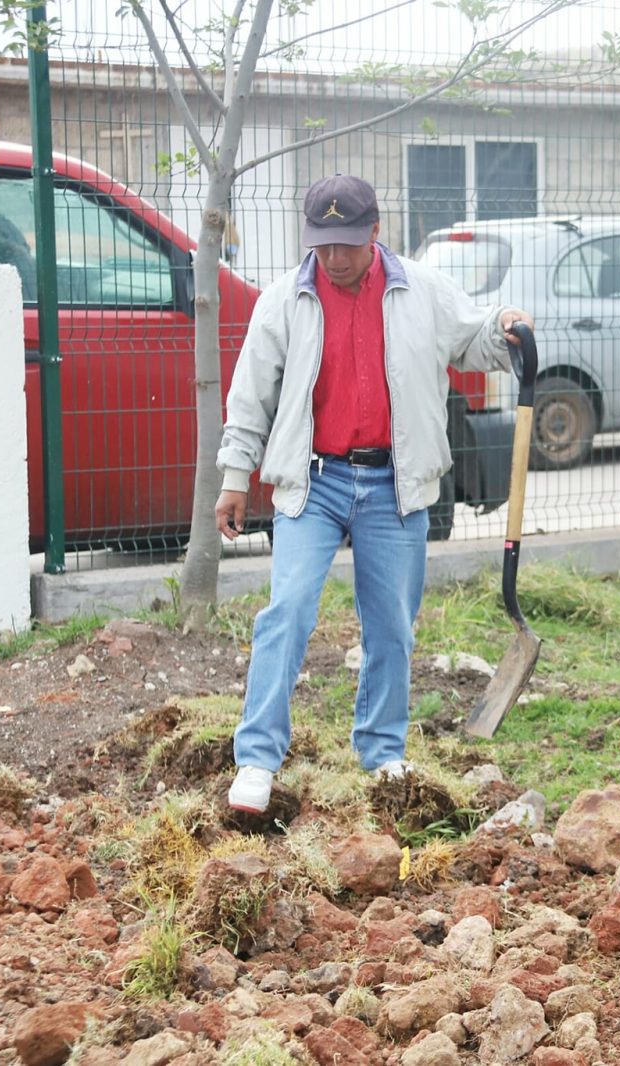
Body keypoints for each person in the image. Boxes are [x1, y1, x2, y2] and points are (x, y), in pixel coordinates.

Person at [215, 174, 532, 814]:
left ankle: (383, 752)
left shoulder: (422, 291)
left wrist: (504, 327)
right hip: (315, 482)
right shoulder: (283, 300)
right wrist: (233, 477)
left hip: (395, 483)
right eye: (323, 244)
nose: (334, 258)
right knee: (289, 612)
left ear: (375, 234)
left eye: (348, 245)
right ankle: (256, 759)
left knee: (391, 626)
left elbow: (474, 339)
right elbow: (251, 396)